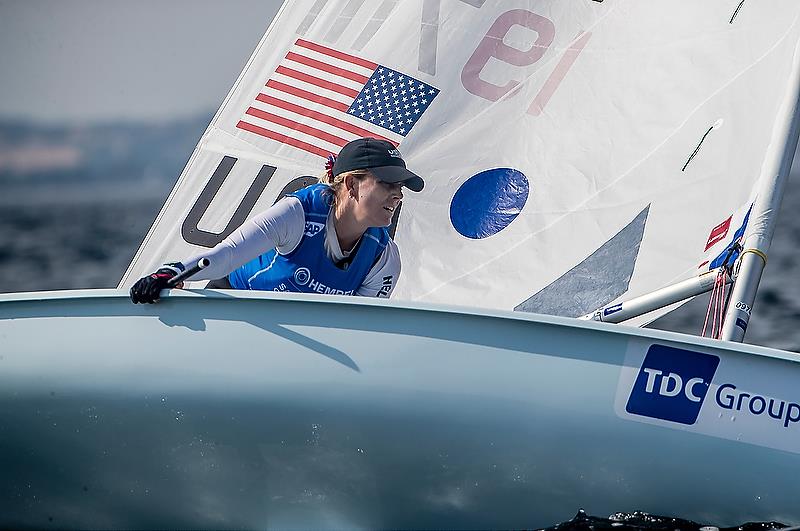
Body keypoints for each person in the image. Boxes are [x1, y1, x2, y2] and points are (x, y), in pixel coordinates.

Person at [129, 137, 424, 304]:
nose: (397, 195)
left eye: (400, 188)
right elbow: (228, 254)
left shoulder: (383, 258)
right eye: (387, 184)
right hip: (233, 305)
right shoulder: (298, 213)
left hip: (302, 339)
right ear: (351, 186)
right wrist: (170, 274)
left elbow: (360, 329)